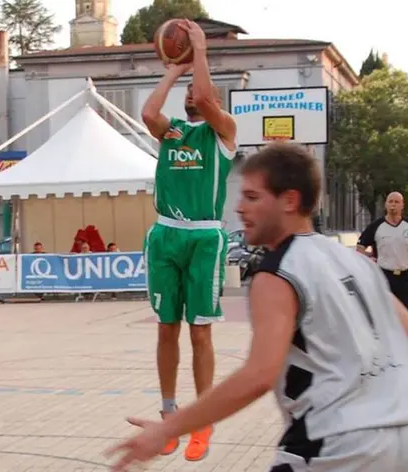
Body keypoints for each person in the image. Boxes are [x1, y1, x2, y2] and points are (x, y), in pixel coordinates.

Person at [105, 143, 408, 472]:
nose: (240, 208)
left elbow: (259, 375)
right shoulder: (357, 262)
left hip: (339, 448)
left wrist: (167, 428)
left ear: (290, 200)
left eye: (252, 197)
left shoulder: (277, 274)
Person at [139, 20, 238, 461]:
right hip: (165, 234)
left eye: (198, 90)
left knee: (199, 332)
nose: (190, 95)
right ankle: (168, 413)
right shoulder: (172, 130)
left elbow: (207, 98)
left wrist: (199, 51)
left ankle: (202, 417)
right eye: (186, 90)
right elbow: (147, 113)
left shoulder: (223, 132)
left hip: (203, 237)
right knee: (165, 328)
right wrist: (175, 67)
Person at [356, 191, 408, 309]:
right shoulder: (376, 226)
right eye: (390, 201)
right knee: (385, 312)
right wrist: (368, 260)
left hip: (403, 276)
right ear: (386, 205)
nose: (393, 204)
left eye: (397, 202)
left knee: (403, 312)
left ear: (402, 205)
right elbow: (360, 247)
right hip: (384, 275)